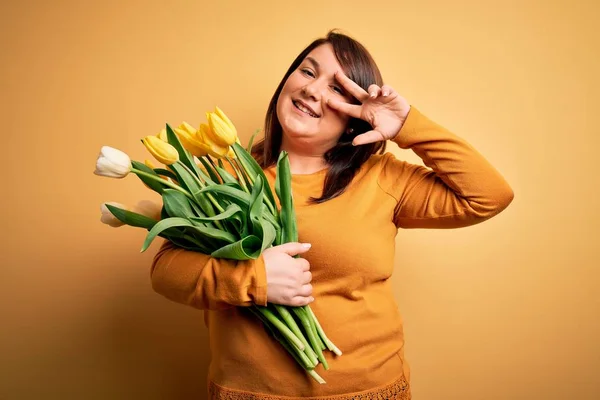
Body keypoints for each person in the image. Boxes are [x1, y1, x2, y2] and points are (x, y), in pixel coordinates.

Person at [150, 30, 514, 399]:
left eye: (338, 89)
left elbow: (488, 196)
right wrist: (253, 278)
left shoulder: (382, 177)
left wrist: (408, 126)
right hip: (250, 391)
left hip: (367, 388)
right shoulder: (223, 179)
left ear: (356, 117)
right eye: (308, 72)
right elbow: (165, 272)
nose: (313, 90)